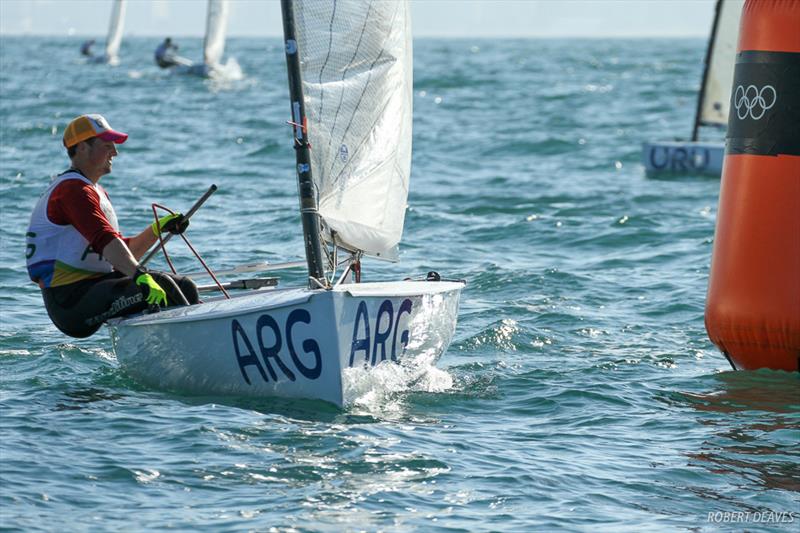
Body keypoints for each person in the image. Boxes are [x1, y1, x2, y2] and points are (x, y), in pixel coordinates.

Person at [25, 114, 200, 339]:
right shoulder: (72, 191)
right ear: (81, 148)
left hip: (97, 287)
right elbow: (105, 241)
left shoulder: (92, 190)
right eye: (107, 146)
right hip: (70, 302)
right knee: (163, 286)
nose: (115, 153)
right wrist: (139, 275)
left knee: (183, 286)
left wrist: (157, 230)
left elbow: (116, 254)